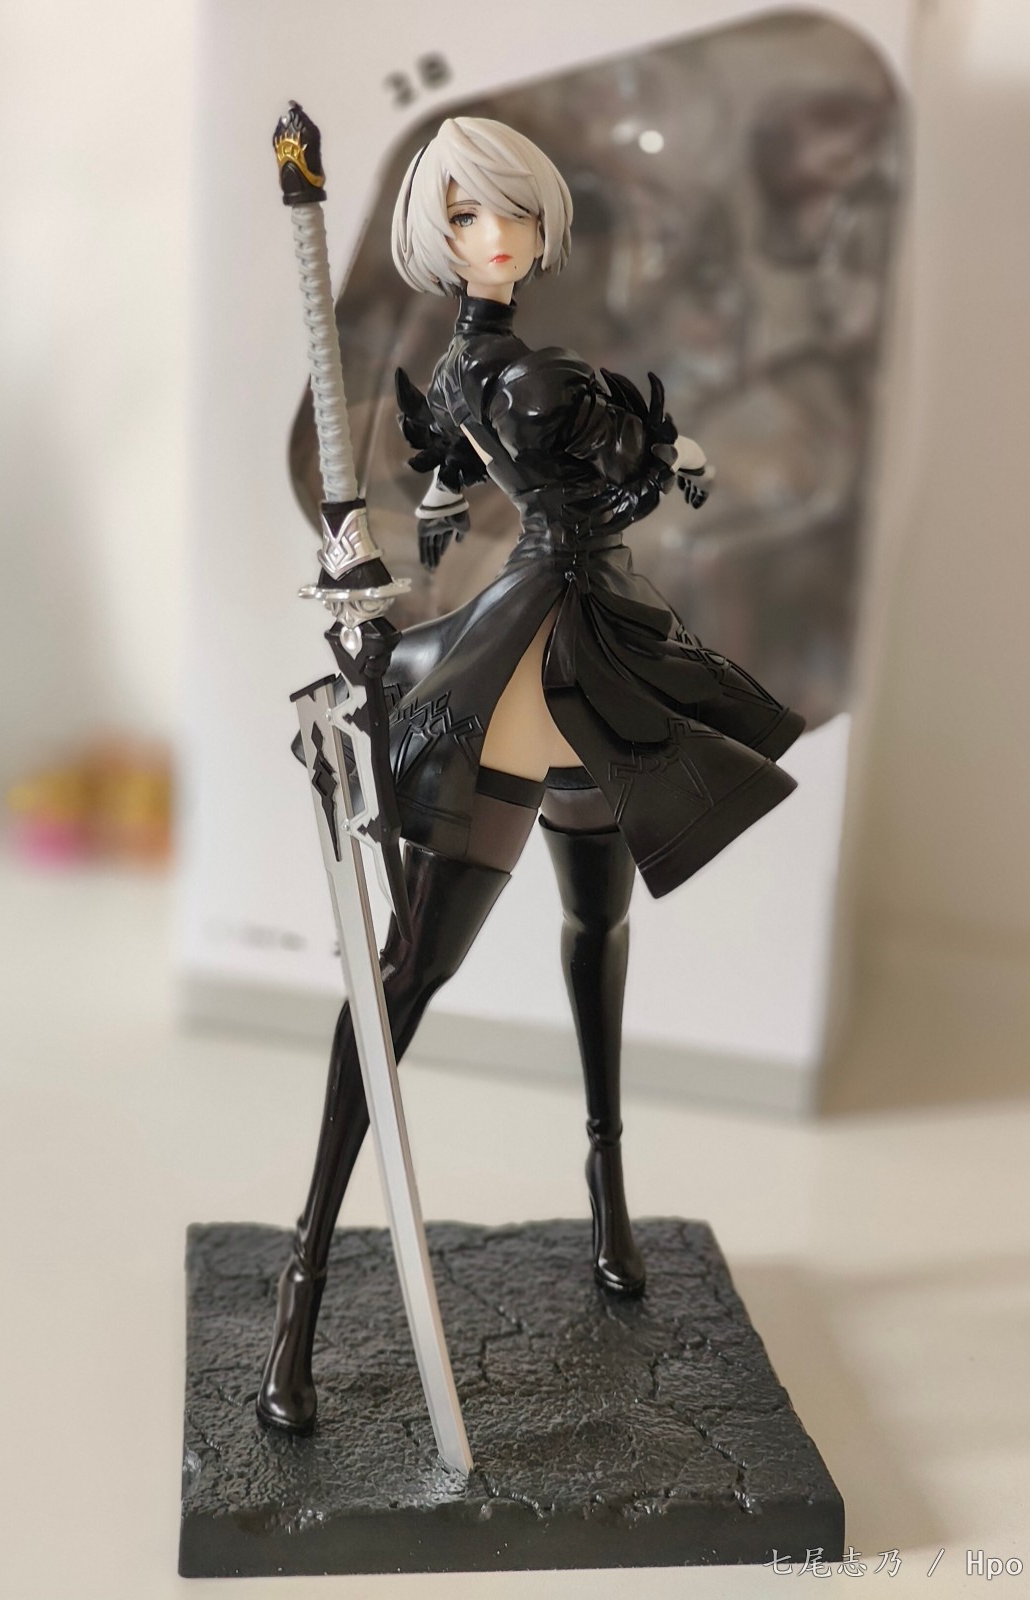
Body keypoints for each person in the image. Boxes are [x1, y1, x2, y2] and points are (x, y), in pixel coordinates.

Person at [257, 116, 803, 1434]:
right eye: (463, 216)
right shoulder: (535, 378)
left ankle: (605, 1188)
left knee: (590, 925)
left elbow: (465, 478)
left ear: (542, 221)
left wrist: (452, 512)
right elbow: (596, 486)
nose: (494, 236)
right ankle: (303, 1283)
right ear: (434, 235)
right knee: (407, 978)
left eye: (509, 212)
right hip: (555, 654)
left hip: (589, 647)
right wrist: (665, 456)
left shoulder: (480, 367)